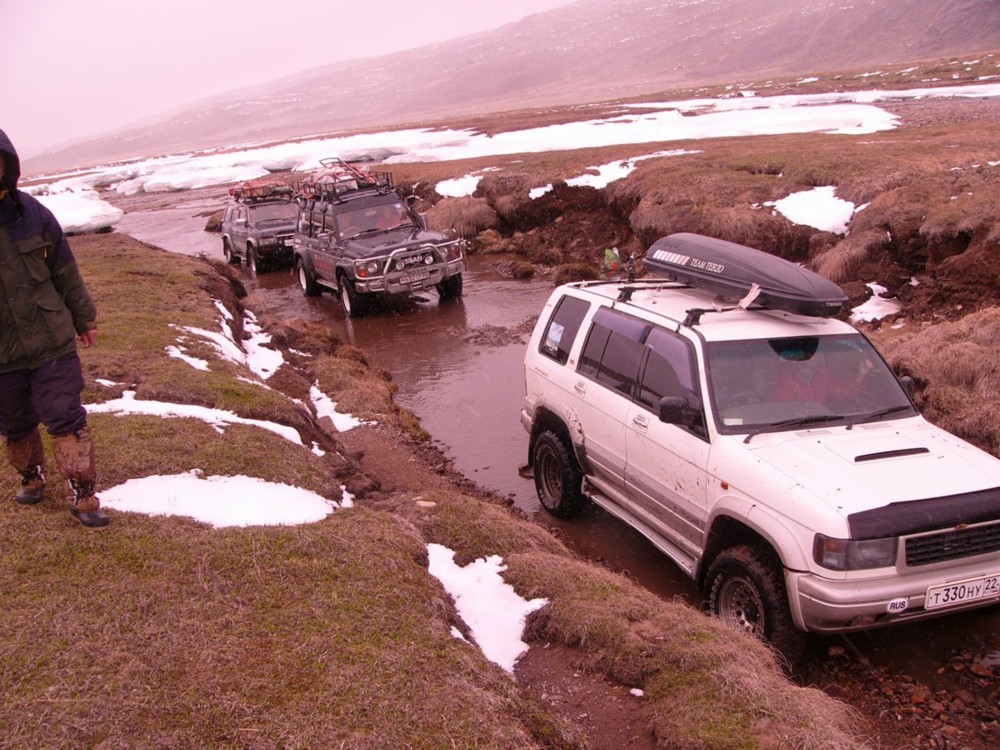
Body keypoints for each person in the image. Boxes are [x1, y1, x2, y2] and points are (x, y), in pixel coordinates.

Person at [0, 128, 110, 528]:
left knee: (64, 414)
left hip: (50, 338)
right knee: (14, 421)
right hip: (3, 351)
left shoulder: (32, 214)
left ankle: (84, 494)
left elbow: (64, 270)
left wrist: (84, 318)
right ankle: (31, 475)